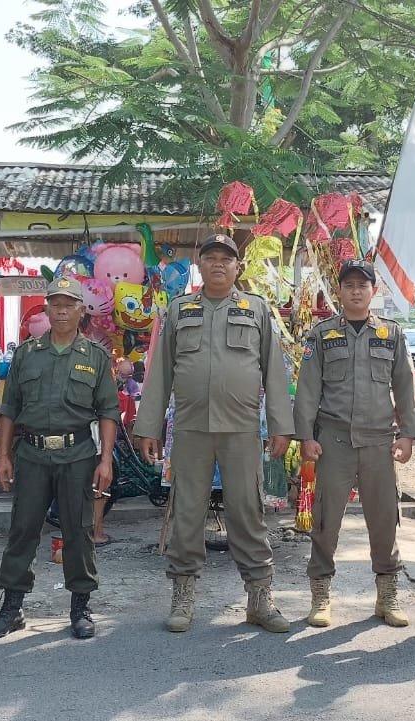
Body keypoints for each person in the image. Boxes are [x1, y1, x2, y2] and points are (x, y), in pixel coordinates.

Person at [133, 234, 294, 634]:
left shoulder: (255, 310)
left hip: (240, 430)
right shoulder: (179, 310)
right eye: (210, 258)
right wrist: (149, 427)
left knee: (247, 513)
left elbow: (275, 373)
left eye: (226, 259)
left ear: (237, 267)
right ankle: (183, 597)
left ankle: (259, 597)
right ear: (199, 266)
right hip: (190, 429)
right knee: (187, 513)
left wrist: (281, 426)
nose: (218, 264)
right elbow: (160, 374)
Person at [0, 277, 119, 641]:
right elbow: (9, 408)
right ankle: (12, 608)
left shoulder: (96, 357)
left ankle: (80, 607)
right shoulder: (27, 354)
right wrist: (3, 456)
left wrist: (106, 460)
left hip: (77, 455)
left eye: (68, 304)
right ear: (46, 309)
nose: (60, 310)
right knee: (23, 528)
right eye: (54, 303)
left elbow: (108, 412)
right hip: (33, 455)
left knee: (79, 530)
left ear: (80, 311)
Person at [293, 260, 415, 629]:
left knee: (384, 522)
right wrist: (306, 437)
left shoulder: (391, 334)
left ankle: (387, 597)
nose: (355, 291)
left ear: (373, 290)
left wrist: (408, 434)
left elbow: (405, 385)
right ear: (340, 291)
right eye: (349, 285)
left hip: (379, 443)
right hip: (333, 442)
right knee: (324, 523)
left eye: (362, 285)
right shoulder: (322, 335)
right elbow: (307, 390)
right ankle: (321, 598)